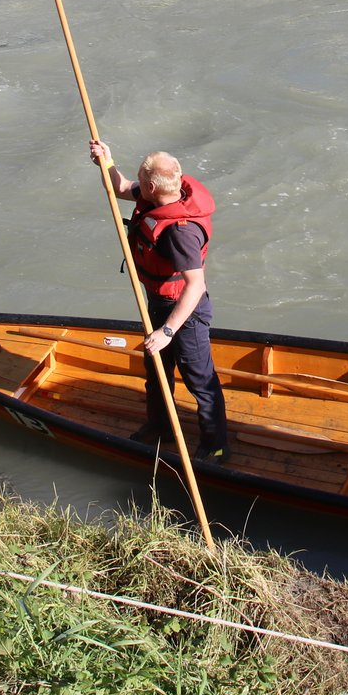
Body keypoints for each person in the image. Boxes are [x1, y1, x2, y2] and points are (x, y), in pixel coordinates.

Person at [89, 139, 228, 462]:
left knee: (199, 378)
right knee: (156, 369)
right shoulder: (160, 192)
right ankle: (160, 426)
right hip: (159, 302)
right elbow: (121, 187)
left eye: (141, 178)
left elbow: (195, 285)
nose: (137, 183)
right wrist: (106, 162)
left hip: (185, 312)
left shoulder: (180, 232)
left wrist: (166, 332)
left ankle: (216, 444)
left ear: (152, 186)